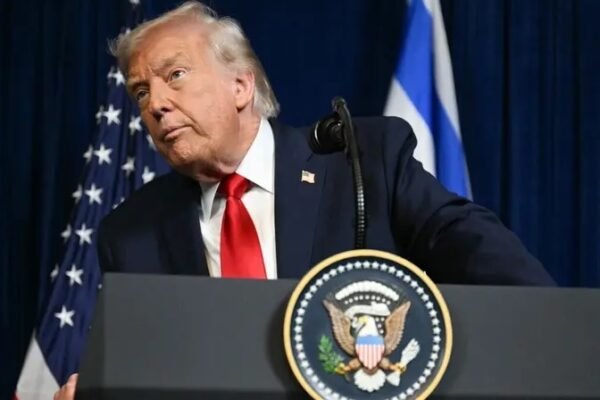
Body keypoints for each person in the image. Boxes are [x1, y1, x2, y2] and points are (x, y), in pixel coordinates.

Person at [55, 1, 554, 398]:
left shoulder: (363, 163)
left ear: (241, 85)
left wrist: (558, 333)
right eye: (141, 92)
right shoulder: (131, 233)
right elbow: (139, 367)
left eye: (175, 76)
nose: (157, 104)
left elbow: (483, 256)